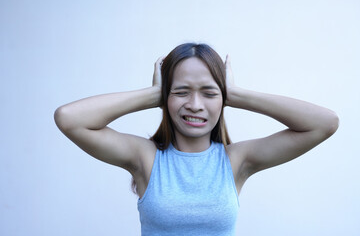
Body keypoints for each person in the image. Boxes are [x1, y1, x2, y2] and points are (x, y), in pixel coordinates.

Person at [54, 43, 339, 235]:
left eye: (209, 93)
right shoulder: (145, 158)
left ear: (222, 98)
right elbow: (69, 118)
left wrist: (236, 95)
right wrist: (153, 94)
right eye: (181, 92)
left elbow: (324, 124)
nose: (194, 104)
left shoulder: (237, 161)